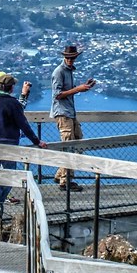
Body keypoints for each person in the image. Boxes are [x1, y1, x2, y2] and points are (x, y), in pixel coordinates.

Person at [0, 71, 47, 215]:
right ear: (11, 88)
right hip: (9, 146)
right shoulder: (13, 103)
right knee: (10, 178)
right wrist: (37, 141)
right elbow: (23, 125)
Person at [49, 43, 96, 191]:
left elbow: (67, 92)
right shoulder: (59, 72)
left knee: (78, 142)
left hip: (70, 113)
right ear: (64, 57)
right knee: (68, 145)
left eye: (72, 58)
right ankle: (66, 181)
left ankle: (60, 174)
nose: (70, 60)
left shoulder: (69, 71)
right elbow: (57, 95)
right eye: (68, 58)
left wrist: (83, 87)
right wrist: (78, 89)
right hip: (63, 113)